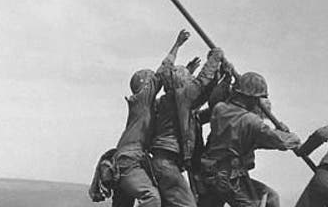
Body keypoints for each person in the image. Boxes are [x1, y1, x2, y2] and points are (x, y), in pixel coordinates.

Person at [197, 72, 301, 207]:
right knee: (266, 200)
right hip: (228, 178)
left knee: (270, 197)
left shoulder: (220, 109)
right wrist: (291, 137)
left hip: (210, 173)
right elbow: (280, 141)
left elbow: (251, 140)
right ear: (252, 98)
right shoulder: (251, 121)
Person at [151, 29, 225, 207]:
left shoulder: (174, 104)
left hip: (166, 162)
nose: (192, 80)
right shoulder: (180, 97)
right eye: (188, 79)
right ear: (181, 84)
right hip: (166, 163)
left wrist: (221, 77)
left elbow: (203, 100)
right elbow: (200, 85)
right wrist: (215, 58)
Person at [88, 69, 163, 207]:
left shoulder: (145, 107)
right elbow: (160, 76)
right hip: (128, 161)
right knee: (152, 198)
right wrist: (176, 48)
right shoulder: (141, 102)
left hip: (125, 161)